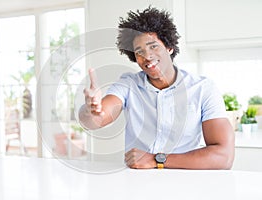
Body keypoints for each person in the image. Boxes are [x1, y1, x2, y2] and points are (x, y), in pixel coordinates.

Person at [79, 7, 234, 169]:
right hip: (137, 184)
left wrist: (156, 160)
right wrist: (91, 110)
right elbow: (94, 121)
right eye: (139, 51)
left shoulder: (203, 89)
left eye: (153, 46)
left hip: (186, 182)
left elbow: (224, 157)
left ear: (169, 47)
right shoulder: (128, 85)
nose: (147, 56)